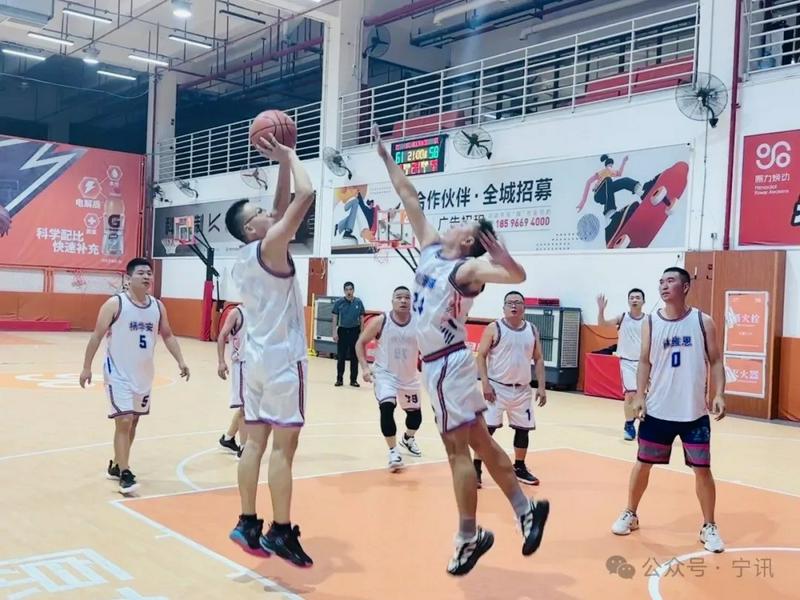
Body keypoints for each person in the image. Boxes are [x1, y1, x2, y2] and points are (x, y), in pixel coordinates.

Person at [374, 124, 549, 577]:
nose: (455, 223)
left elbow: (516, 278)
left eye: (465, 224)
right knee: (480, 441)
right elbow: (410, 198)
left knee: (456, 454)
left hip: (447, 364)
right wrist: (386, 158)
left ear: (471, 241)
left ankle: (468, 537)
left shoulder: (467, 266)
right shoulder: (431, 248)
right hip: (439, 366)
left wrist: (505, 260)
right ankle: (523, 509)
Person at [223, 133, 315, 567]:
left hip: (254, 360)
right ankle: (280, 530)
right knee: (284, 449)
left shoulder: (244, 255)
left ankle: (246, 521)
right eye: (259, 213)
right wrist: (292, 154)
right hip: (281, 361)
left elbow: (279, 208)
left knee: (253, 445)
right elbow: (307, 192)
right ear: (250, 228)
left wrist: (278, 162)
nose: (267, 212)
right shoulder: (272, 244)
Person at [611, 267, 726, 553]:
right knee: (642, 463)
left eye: (670, 281)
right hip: (657, 410)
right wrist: (639, 396)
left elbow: (715, 361)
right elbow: (644, 361)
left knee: (702, 470)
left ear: (685, 287)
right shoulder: (651, 321)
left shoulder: (703, 321)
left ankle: (709, 525)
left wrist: (719, 393)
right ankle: (631, 513)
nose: (664, 285)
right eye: (661, 281)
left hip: (693, 413)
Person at [79, 257, 190, 494]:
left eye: (149, 273)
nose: (147, 276)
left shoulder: (158, 306)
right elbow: (97, 336)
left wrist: (180, 360)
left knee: (134, 421)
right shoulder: (114, 304)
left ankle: (117, 464)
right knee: (125, 420)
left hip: (143, 375)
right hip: (117, 372)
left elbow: (168, 335)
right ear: (128, 279)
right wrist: (86, 367)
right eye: (141, 273)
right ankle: (125, 474)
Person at [474, 291, 546, 487]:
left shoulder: (531, 329)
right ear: (503, 307)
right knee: (487, 431)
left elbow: (538, 358)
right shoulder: (494, 328)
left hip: (522, 389)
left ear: (524, 308)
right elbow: (480, 356)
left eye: (518, 303)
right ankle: (476, 468)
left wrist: (541, 386)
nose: (514, 306)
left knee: (523, 430)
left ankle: (520, 467)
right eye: (510, 303)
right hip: (497, 388)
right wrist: (485, 383)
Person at [355, 286, 423, 473]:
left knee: (416, 418)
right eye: (399, 297)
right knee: (387, 407)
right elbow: (360, 343)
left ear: (411, 301)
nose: (403, 301)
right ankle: (393, 451)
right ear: (392, 300)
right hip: (386, 375)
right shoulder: (381, 321)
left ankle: (408, 439)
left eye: (407, 297)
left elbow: (429, 345)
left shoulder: (419, 322)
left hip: (409, 378)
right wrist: (365, 368)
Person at [597, 288, 646, 440]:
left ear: (643, 301)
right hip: (627, 362)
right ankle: (629, 424)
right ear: (628, 301)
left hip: (645, 363)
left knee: (644, 397)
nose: (635, 300)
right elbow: (603, 324)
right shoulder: (623, 317)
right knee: (630, 395)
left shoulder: (649, 320)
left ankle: (644, 425)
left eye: (638, 297)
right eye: (632, 297)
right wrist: (601, 310)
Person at [217, 304, 246, 458]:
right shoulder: (237, 312)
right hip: (242, 364)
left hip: (257, 366)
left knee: (249, 406)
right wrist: (221, 361)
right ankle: (244, 448)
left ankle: (228, 439)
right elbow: (222, 335)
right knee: (246, 408)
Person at [332, 281, 366, 387]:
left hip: (354, 331)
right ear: (344, 291)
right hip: (342, 331)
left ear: (353, 290)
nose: (349, 292)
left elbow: (362, 318)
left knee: (354, 357)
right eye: (346, 290)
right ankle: (339, 379)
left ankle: (353, 380)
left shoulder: (358, 302)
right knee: (341, 357)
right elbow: (335, 317)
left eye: (350, 289)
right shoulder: (339, 302)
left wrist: (362, 333)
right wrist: (334, 332)